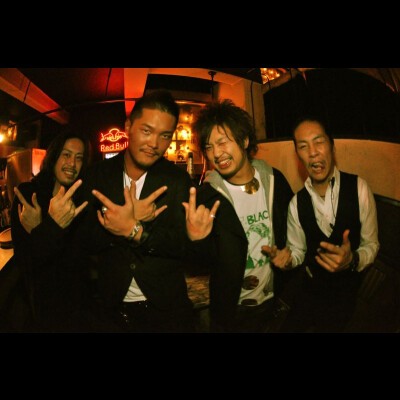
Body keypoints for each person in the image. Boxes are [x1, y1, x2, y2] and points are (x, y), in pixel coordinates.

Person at [78, 89, 195, 333]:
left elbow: (183, 246)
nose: (154, 144)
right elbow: (84, 241)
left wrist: (136, 230)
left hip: (165, 308)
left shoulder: (177, 180)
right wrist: (115, 228)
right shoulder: (96, 176)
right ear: (128, 126)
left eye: (164, 136)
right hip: (111, 307)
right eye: (147, 131)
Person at [183, 99, 293, 333]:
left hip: (272, 302)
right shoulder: (207, 197)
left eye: (222, 142)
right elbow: (200, 264)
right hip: (229, 311)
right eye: (209, 147)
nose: (216, 153)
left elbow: (293, 233)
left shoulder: (276, 181)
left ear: (244, 141)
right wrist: (195, 240)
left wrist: (289, 255)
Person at [277, 115, 380, 333]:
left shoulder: (359, 188)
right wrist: (287, 260)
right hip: (309, 290)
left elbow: (371, 244)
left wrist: (353, 259)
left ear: (332, 146)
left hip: (345, 295)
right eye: (303, 146)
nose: (313, 152)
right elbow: (297, 251)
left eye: (319, 142)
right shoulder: (296, 203)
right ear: (298, 155)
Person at [8, 129, 91, 332]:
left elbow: (78, 264)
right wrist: (51, 227)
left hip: (77, 311)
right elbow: (25, 263)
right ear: (54, 156)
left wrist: (40, 230)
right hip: (40, 312)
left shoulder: (82, 202)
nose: (72, 164)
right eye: (66, 154)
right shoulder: (29, 195)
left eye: (79, 158)